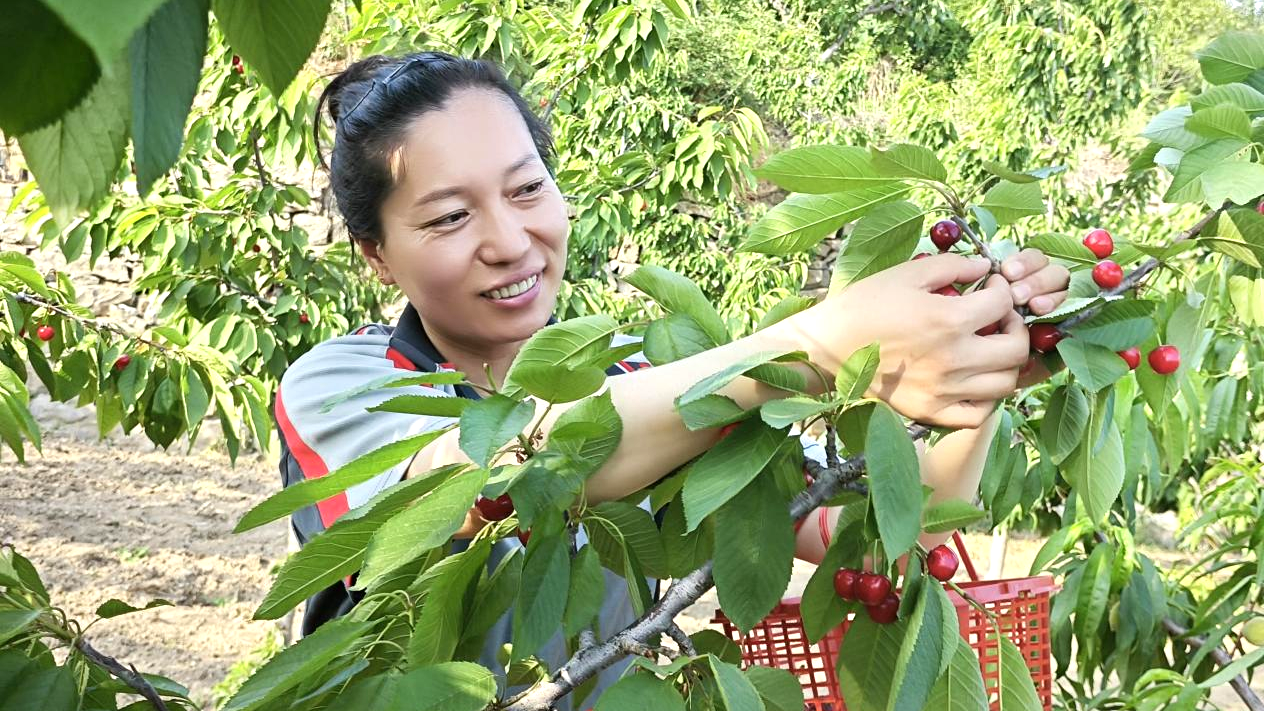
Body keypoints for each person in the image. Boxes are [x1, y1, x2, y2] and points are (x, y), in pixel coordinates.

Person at [274, 51, 1070, 706]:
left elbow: (899, 530)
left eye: (526, 189)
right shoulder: (341, 387)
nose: (510, 241)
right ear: (377, 252)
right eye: (450, 216)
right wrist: (808, 345)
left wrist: (989, 361)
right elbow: (491, 480)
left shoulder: (639, 371)